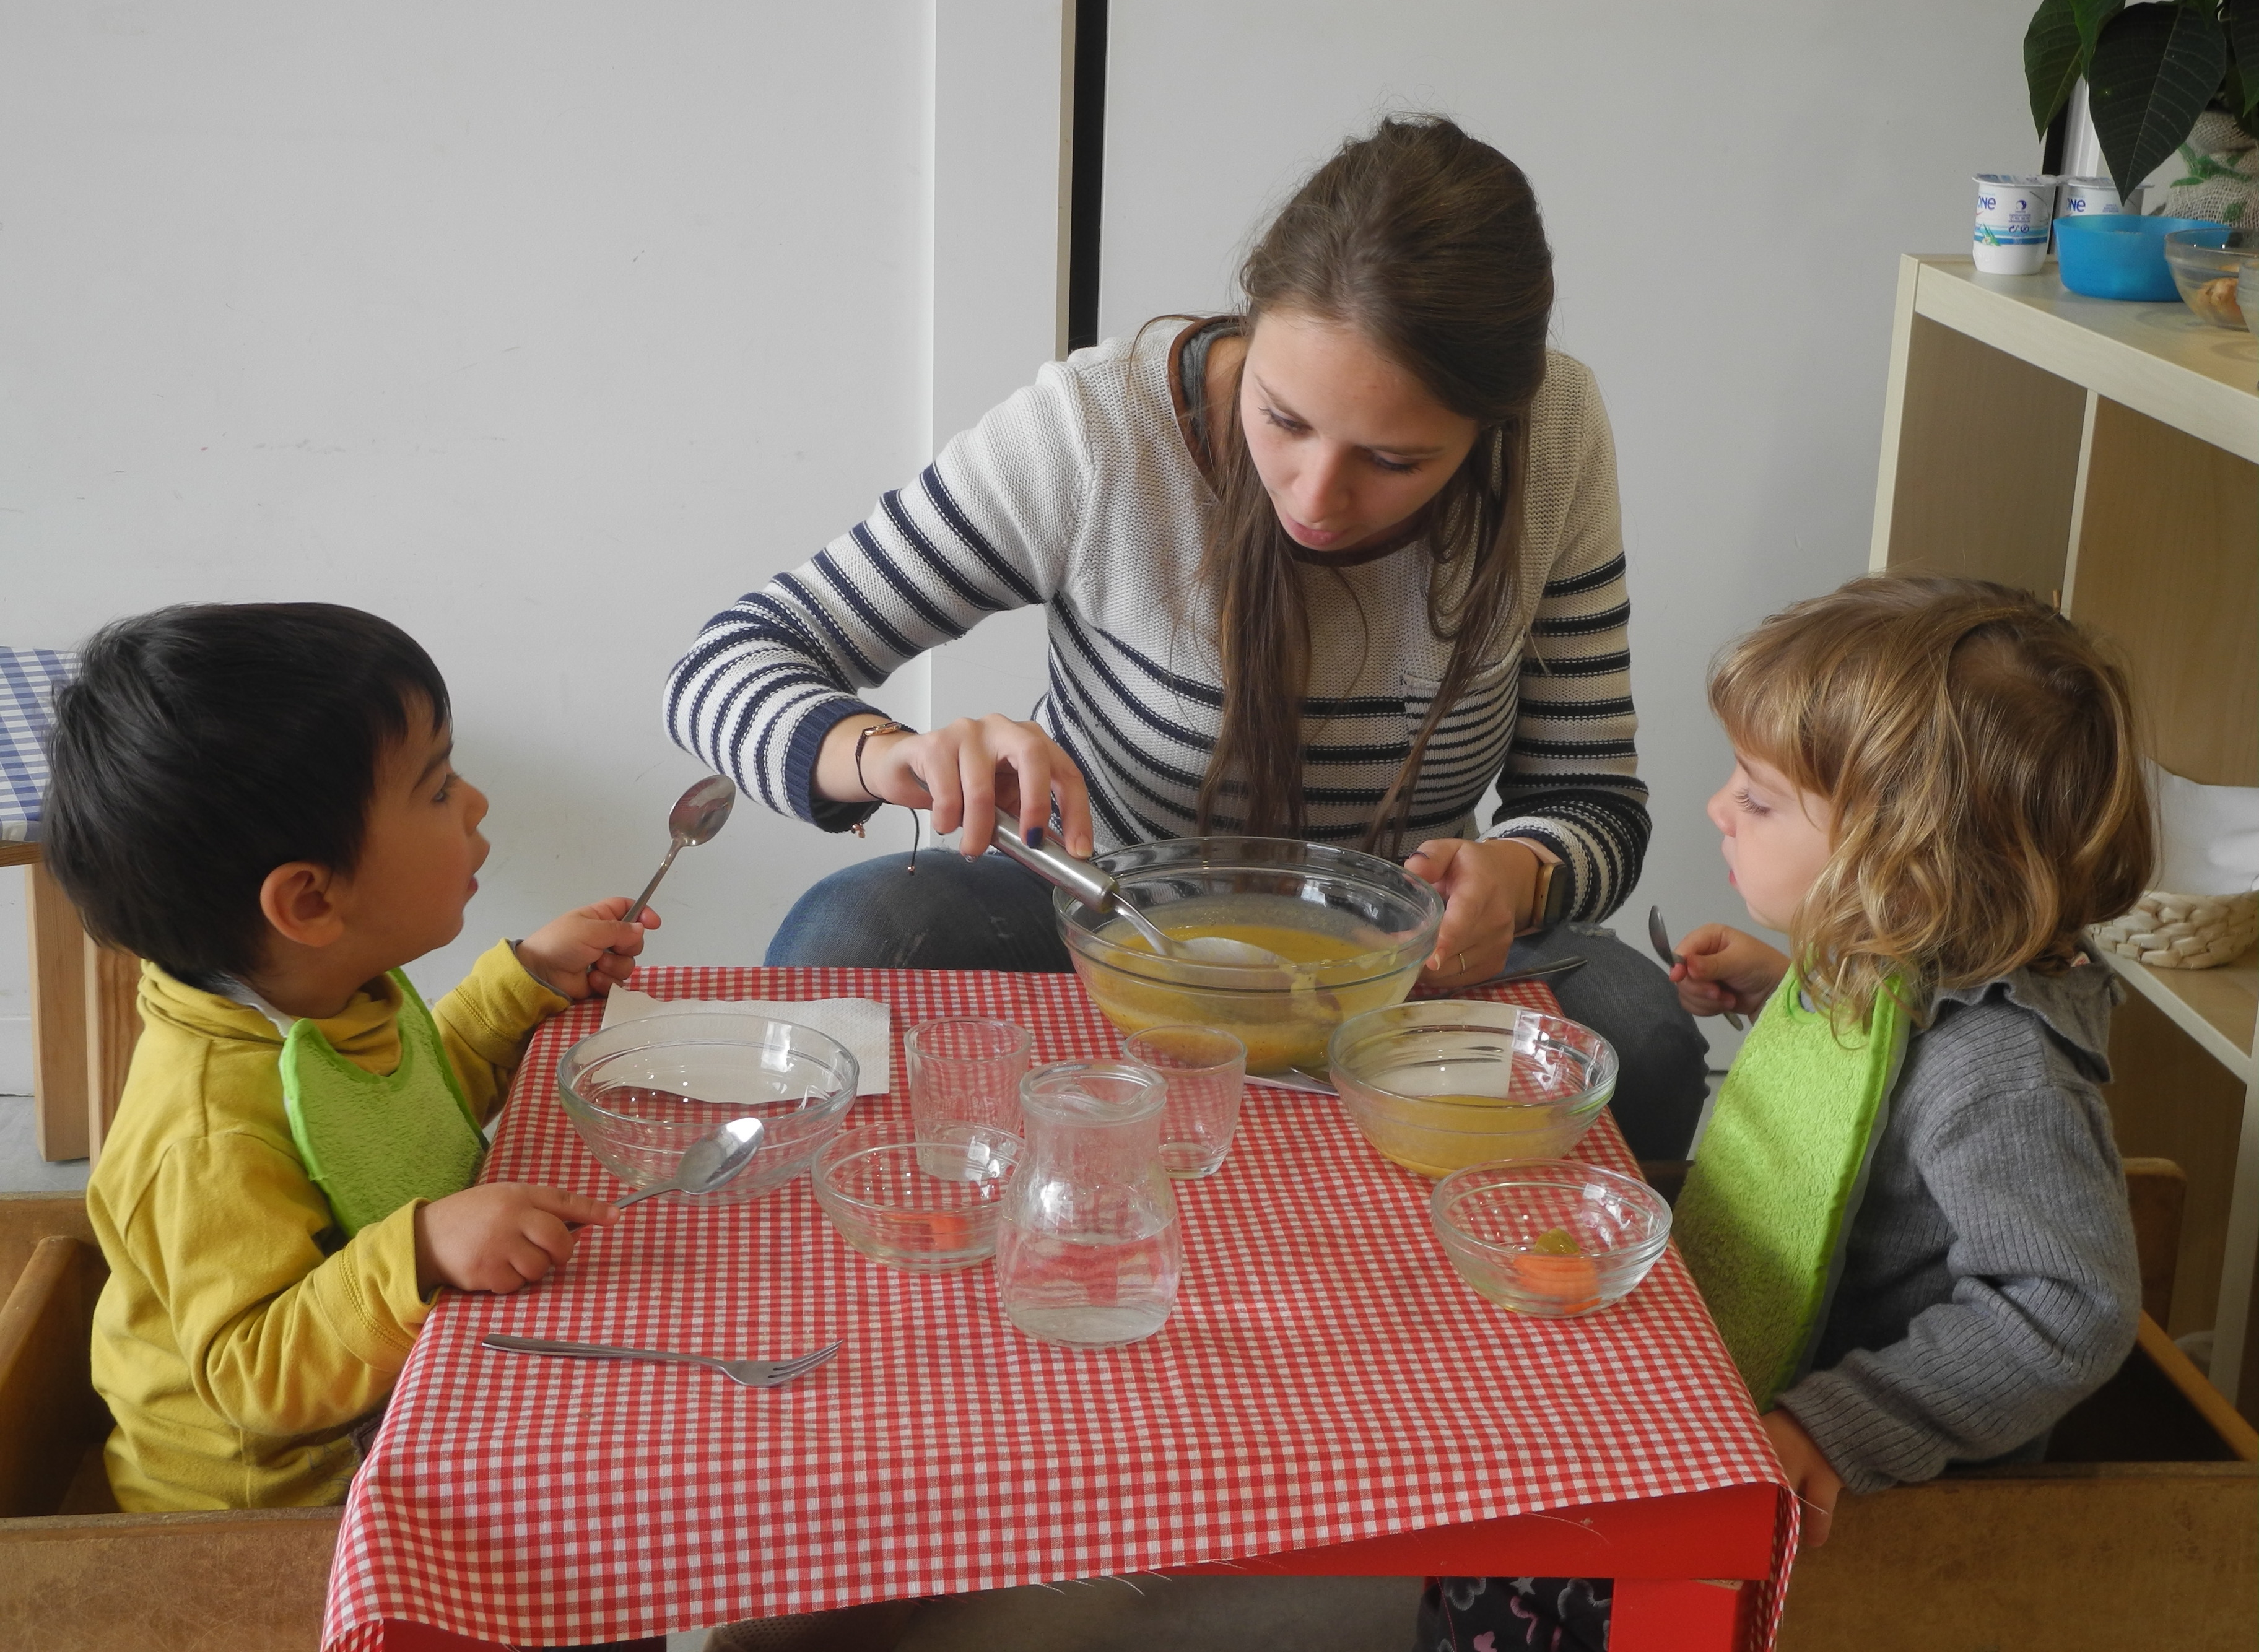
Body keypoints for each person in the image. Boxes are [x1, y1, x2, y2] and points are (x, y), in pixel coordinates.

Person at [667, 116, 1707, 1159]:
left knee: (1646, 1032)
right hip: (1111, 917)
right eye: (1284, 419)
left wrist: (1524, 875)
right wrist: (889, 753)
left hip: (1404, 960)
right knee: (855, 935)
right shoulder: (1098, 431)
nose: (1316, 495)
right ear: (1252, 334)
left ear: (1491, 426)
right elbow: (725, 666)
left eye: (1393, 461)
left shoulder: (1557, 434)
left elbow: (1593, 804)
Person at [1417, 575, 2150, 1650]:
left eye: (1759, 800)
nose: (1718, 807)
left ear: (1905, 864)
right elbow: (1866, 1101)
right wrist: (1782, 986)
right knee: (1497, 1483)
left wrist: (1839, 1424)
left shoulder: (2001, 1072)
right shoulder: (1897, 956)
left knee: (1549, 1573)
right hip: (1758, 1379)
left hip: (1867, 1471)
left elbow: (2068, 1307)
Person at [43, 604, 648, 1513]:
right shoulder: (205, 1134)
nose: (476, 802)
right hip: (276, 1507)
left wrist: (521, 984)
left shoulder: (324, 988)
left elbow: (392, 1120)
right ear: (311, 901)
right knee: (593, 1503)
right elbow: (259, 1379)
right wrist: (422, 1251)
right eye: (439, 790)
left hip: (384, 1399)